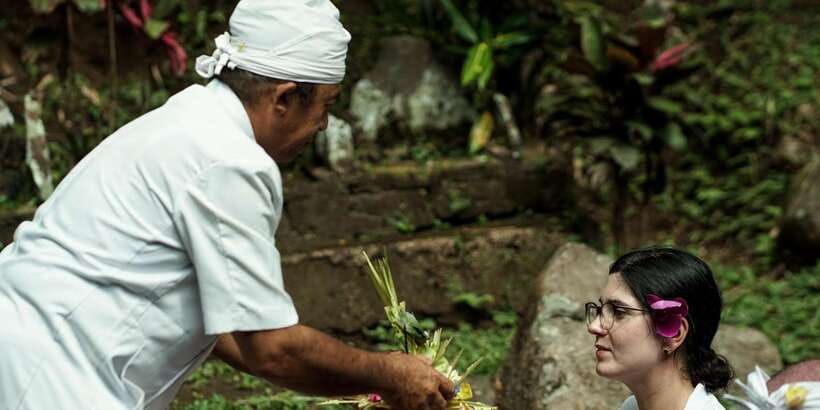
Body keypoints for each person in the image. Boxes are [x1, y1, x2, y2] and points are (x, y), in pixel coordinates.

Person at [0, 1, 455, 409]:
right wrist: (386, 373)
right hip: (50, 368)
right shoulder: (229, 161)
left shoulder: (188, 121)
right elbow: (271, 348)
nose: (324, 125)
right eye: (325, 106)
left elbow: (234, 330)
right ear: (284, 97)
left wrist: (367, 379)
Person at [585, 246, 734, 410]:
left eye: (618, 311)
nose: (594, 326)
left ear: (674, 333)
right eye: (600, 310)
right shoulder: (630, 407)